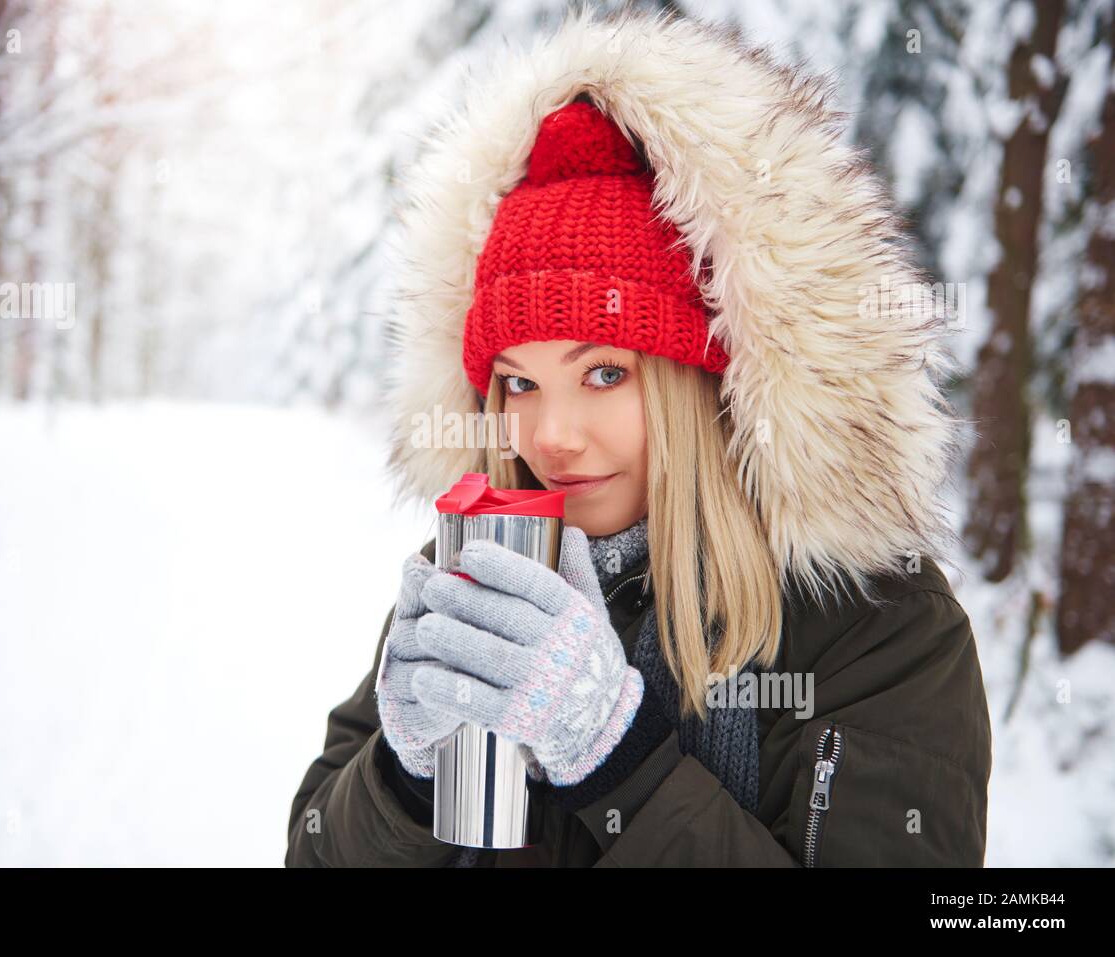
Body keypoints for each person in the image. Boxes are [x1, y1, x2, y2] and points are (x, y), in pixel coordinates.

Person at [285, 7, 991, 867]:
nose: (553, 435)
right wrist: (405, 774)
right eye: (519, 382)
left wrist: (616, 757)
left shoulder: (874, 626)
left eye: (606, 374)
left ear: (702, 382)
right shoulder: (481, 578)